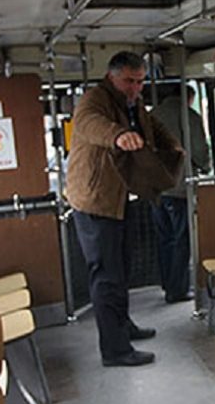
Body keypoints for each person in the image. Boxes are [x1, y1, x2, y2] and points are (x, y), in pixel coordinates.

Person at [66, 51, 181, 367]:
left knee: (122, 269)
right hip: (95, 201)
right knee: (106, 277)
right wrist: (118, 136)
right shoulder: (95, 99)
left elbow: (150, 124)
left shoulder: (132, 104)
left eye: (140, 81)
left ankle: (123, 326)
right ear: (111, 76)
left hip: (120, 199)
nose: (135, 88)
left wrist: (173, 146)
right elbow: (89, 124)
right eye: (129, 81)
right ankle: (115, 350)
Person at [150, 86, 211, 303]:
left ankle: (167, 283)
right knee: (181, 239)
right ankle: (178, 290)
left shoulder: (152, 115)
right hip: (179, 187)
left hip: (156, 188)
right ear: (189, 98)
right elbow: (198, 149)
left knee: (164, 238)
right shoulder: (189, 117)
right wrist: (206, 166)